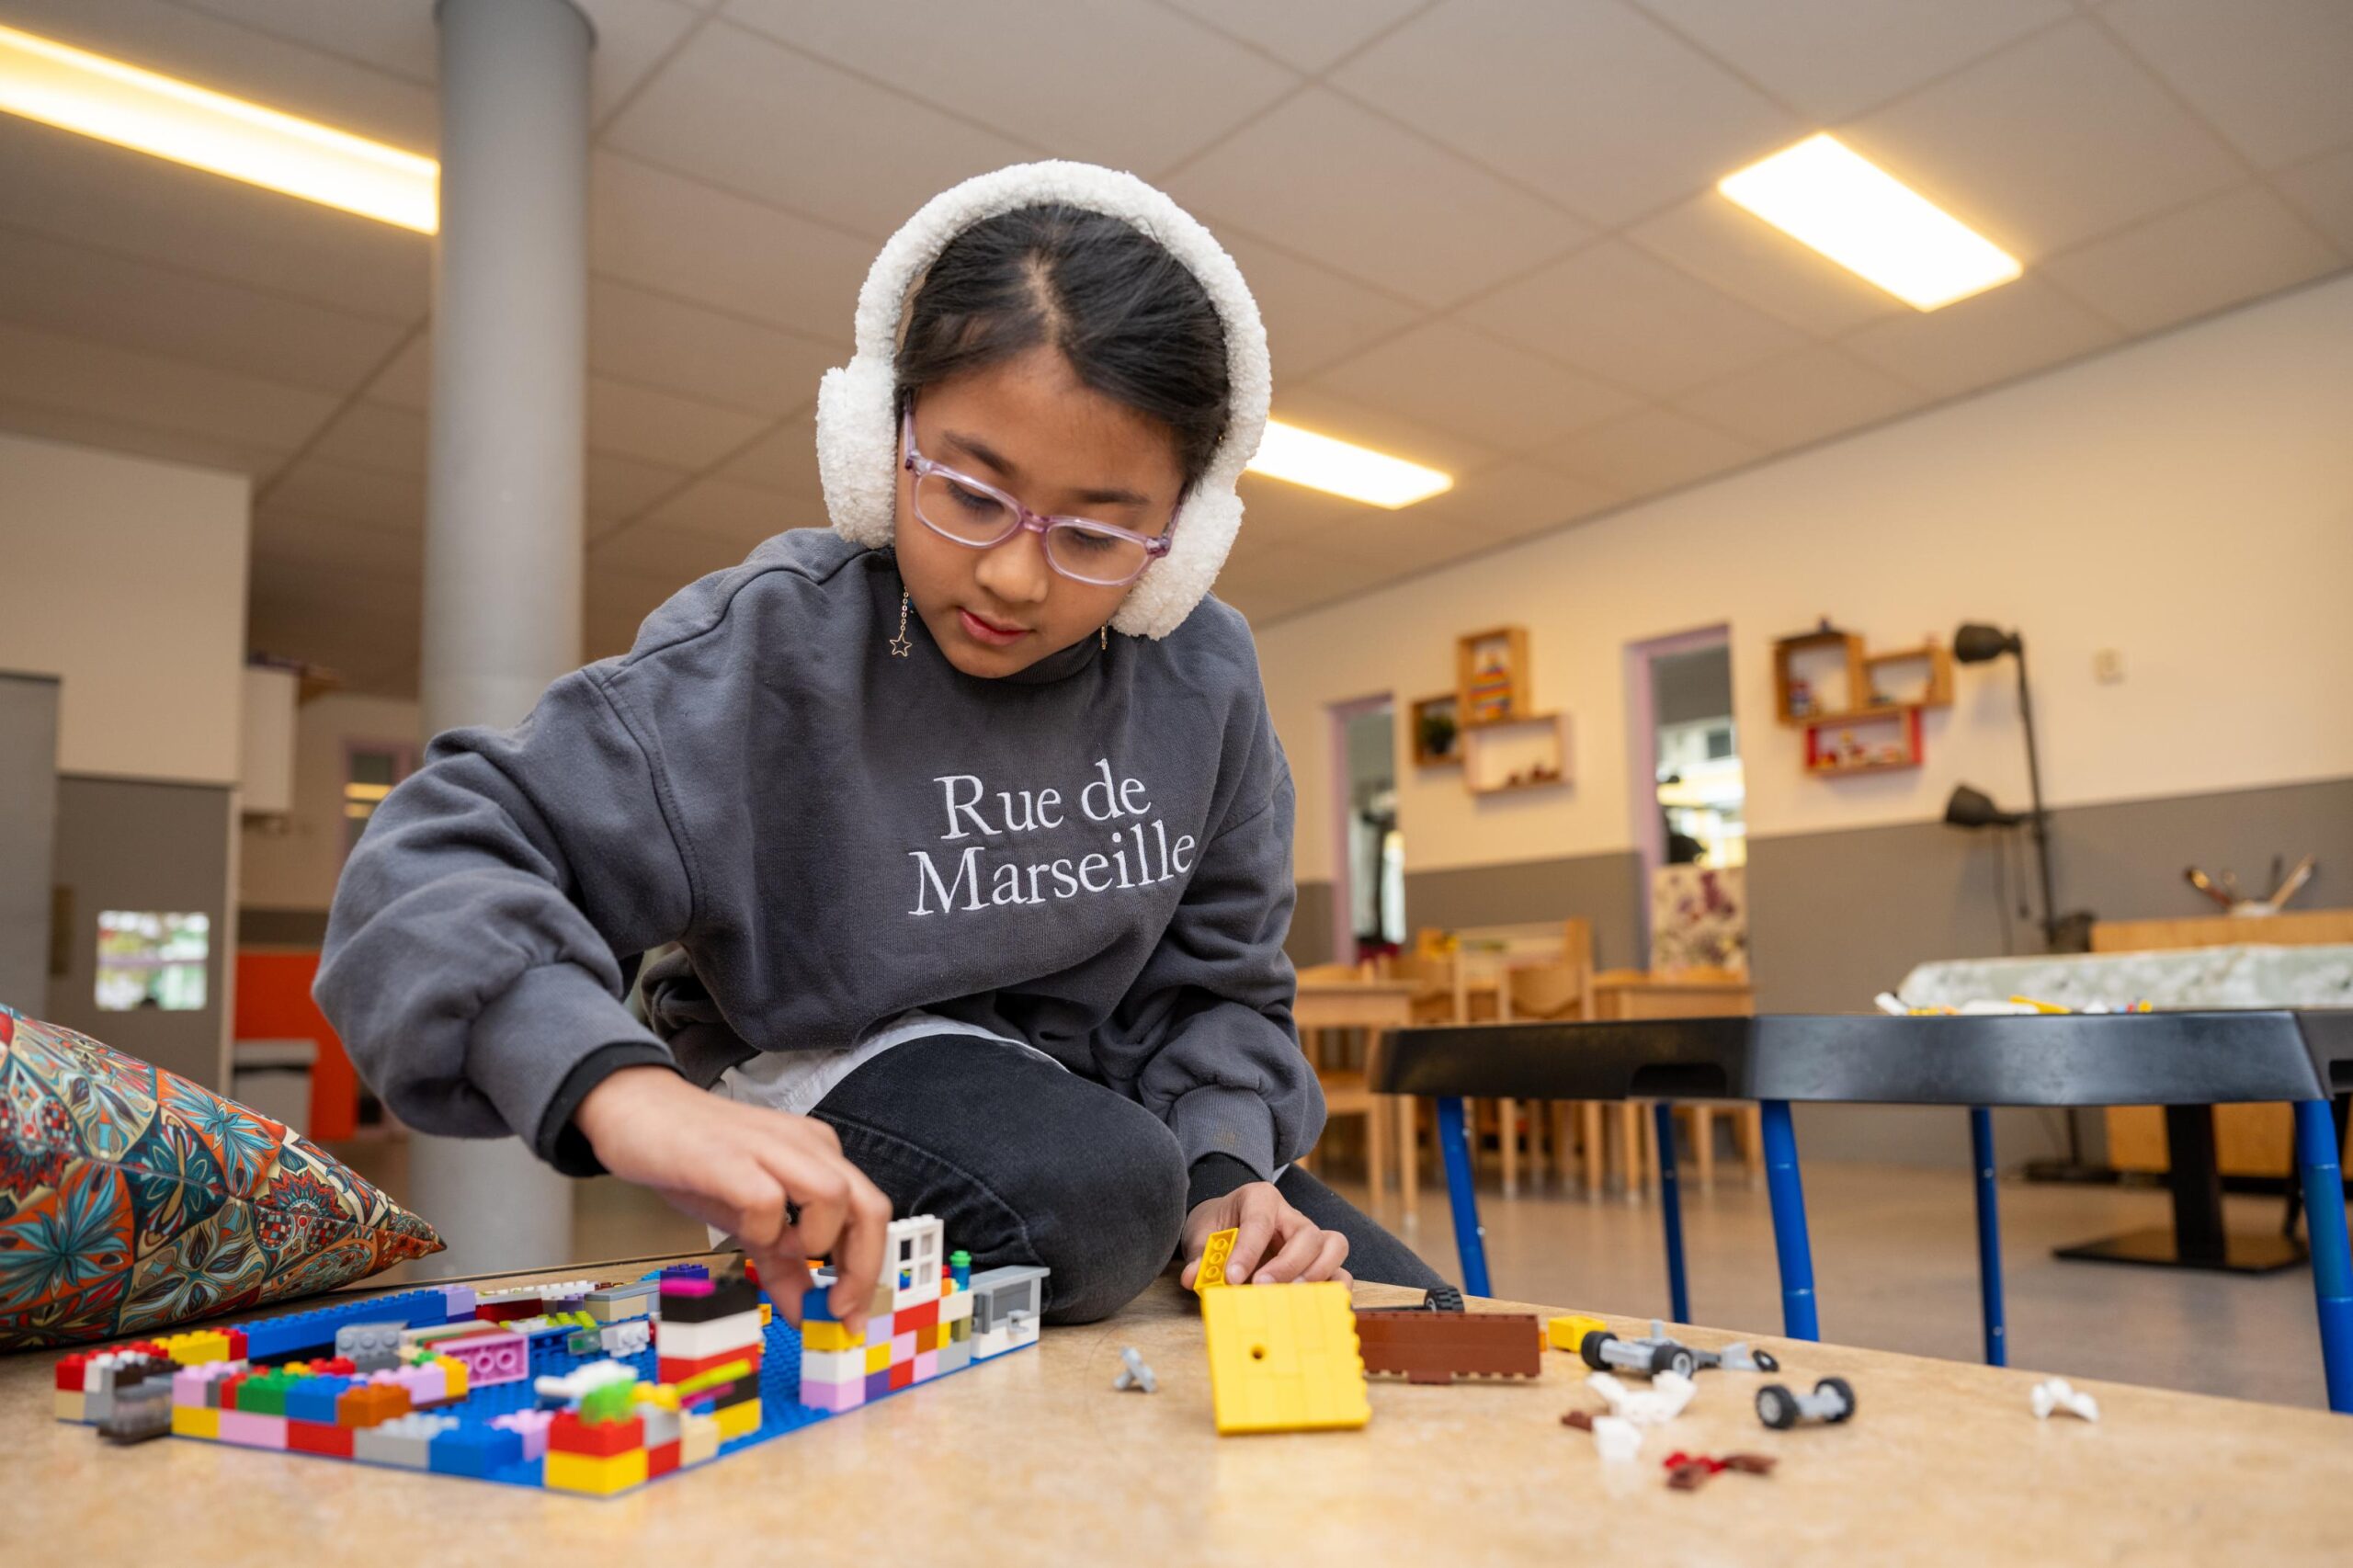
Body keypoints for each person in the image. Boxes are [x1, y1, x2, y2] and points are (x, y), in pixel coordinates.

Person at [317, 161, 1444, 1330]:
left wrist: (1226, 1172)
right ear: (875, 441)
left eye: (1101, 533)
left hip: (1101, 1112)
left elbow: (1219, 989)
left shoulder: (1205, 674)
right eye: (968, 492)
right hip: (837, 1060)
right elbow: (437, 856)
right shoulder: (768, 646)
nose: (1013, 574)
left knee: (1413, 1314)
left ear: (1187, 539)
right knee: (1097, 1194)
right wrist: (619, 1081)